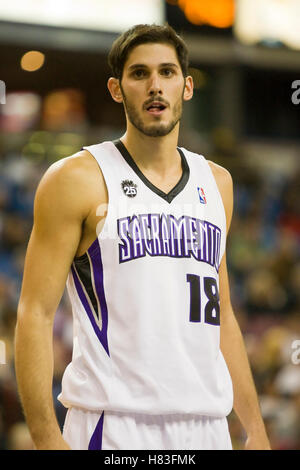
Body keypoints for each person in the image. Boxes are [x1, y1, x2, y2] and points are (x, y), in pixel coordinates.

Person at [15, 24, 271, 450]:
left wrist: (256, 429)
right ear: (117, 89)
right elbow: (35, 312)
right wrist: (45, 437)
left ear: (187, 87)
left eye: (167, 73)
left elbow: (222, 315)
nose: (156, 86)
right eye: (139, 74)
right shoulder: (77, 179)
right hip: (114, 425)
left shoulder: (218, 183)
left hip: (206, 427)